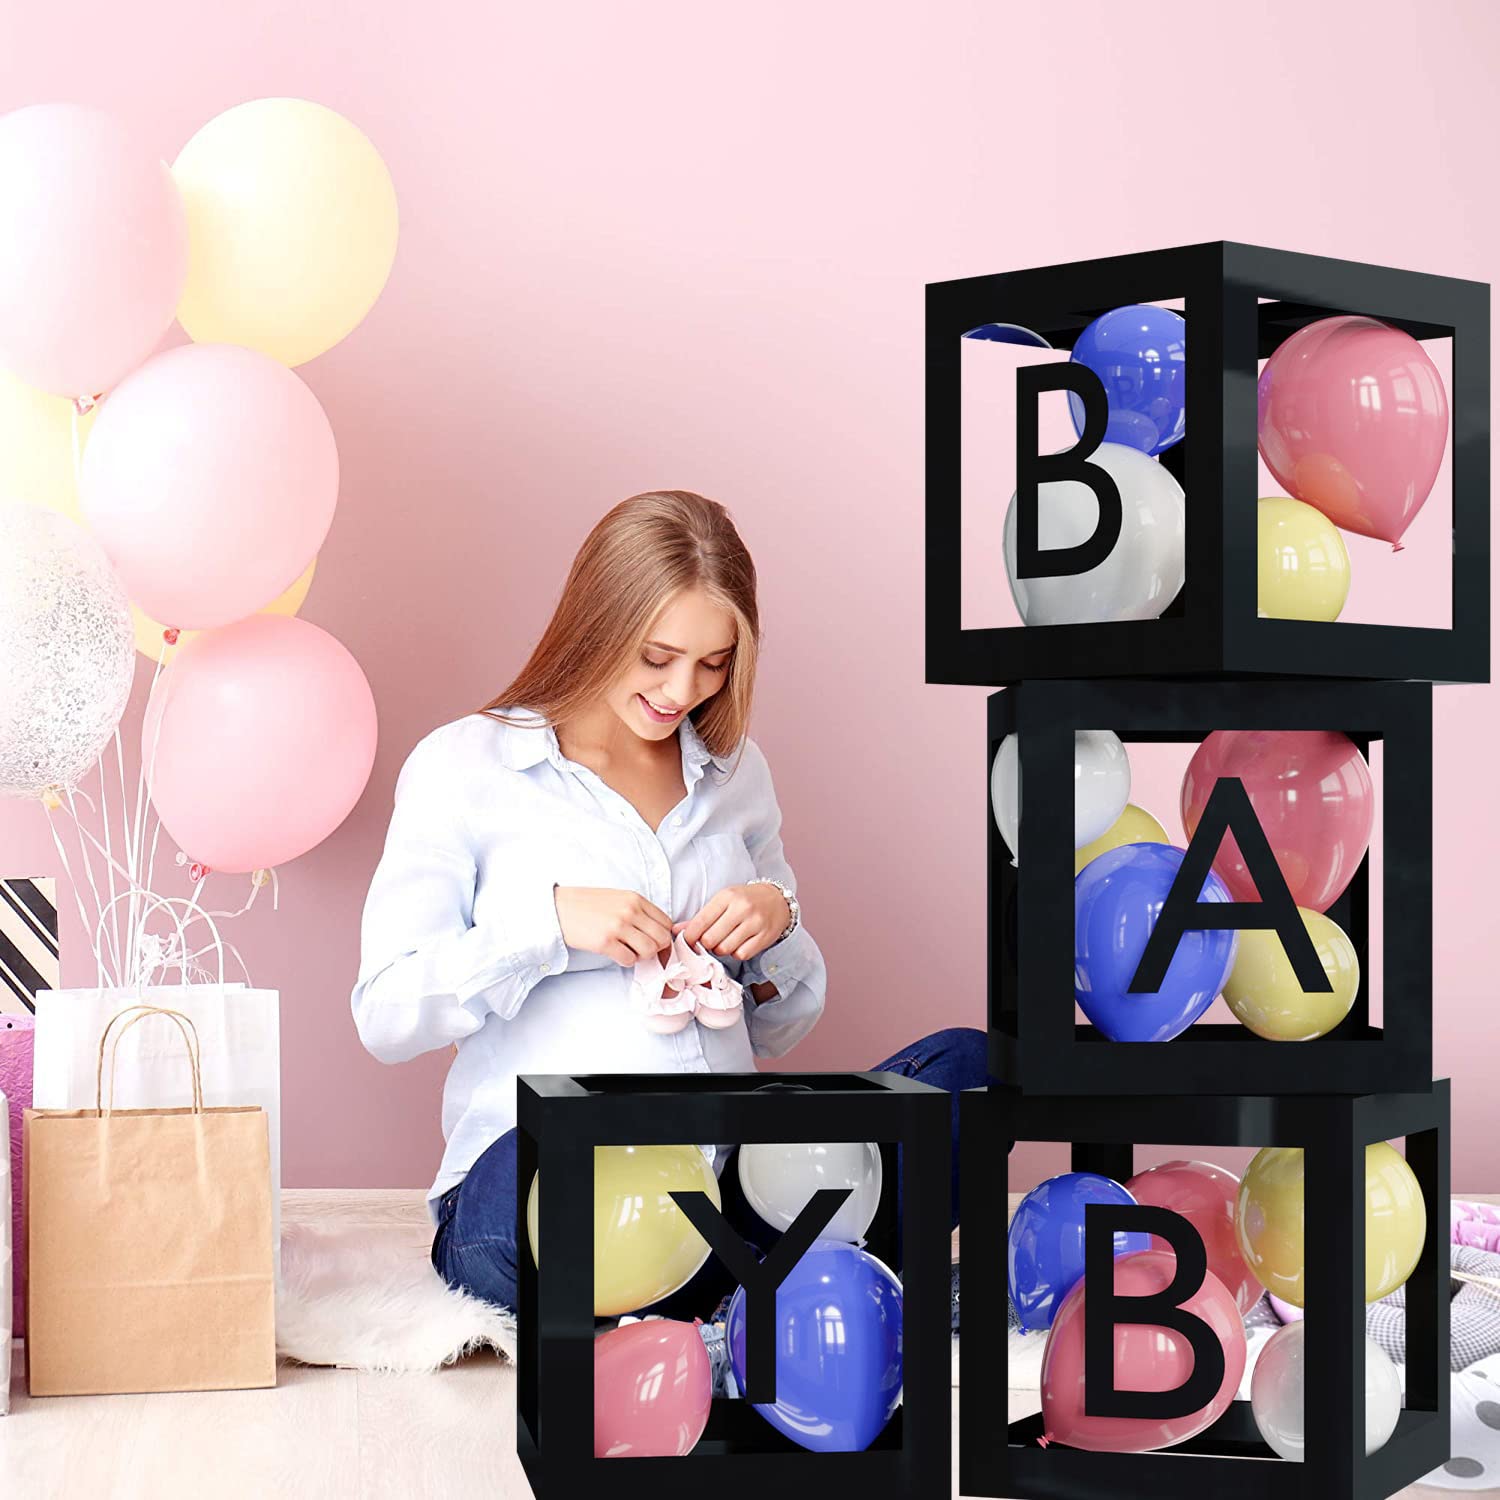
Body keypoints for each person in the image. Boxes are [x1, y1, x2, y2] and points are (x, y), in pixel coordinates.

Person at [350, 489, 988, 1380]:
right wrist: (546, 925)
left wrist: (776, 922)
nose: (682, 692)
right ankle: (791, 1293)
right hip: (547, 1185)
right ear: (594, 624)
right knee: (536, 1193)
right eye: (657, 657)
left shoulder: (736, 774)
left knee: (970, 1072)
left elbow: (778, 1030)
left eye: (713, 664)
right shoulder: (467, 767)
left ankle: (719, 1295)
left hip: (730, 1183)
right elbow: (384, 1014)